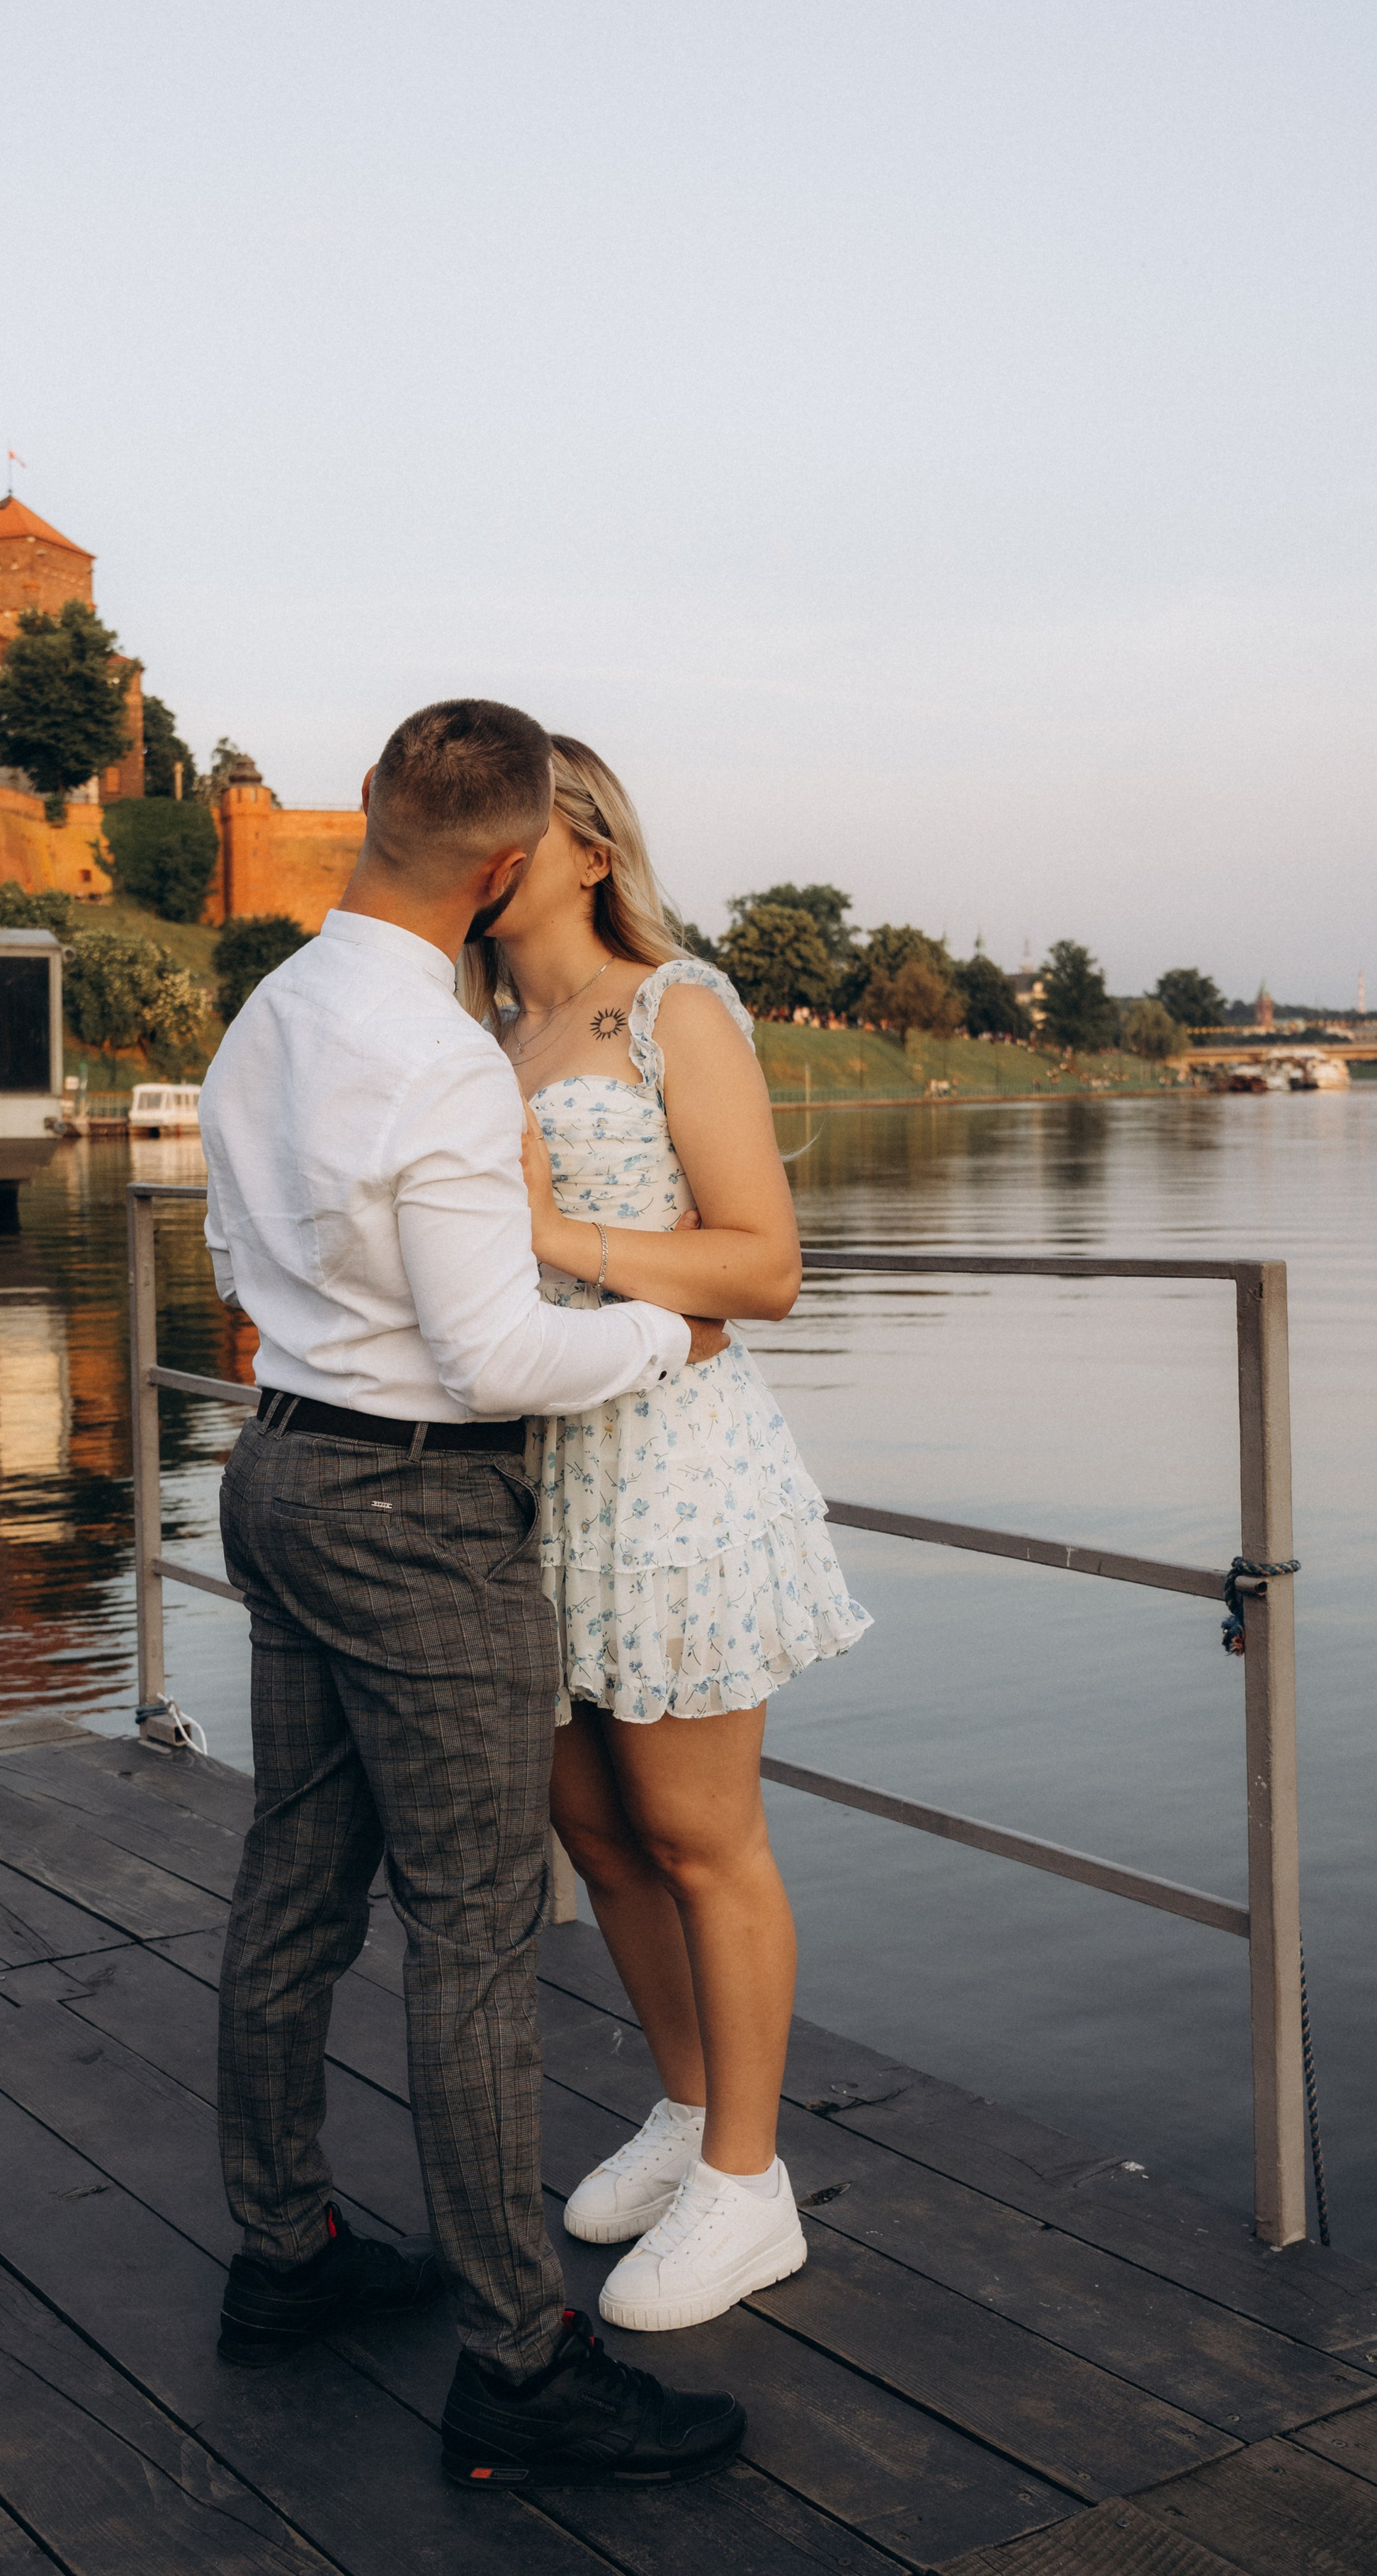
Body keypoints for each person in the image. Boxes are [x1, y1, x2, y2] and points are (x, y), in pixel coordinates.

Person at [199, 698, 747, 2490]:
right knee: (469, 1934)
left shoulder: (274, 1011)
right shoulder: (438, 1058)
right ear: (509, 861)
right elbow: (498, 1350)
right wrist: (669, 1329)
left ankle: (284, 2253)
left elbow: (233, 1258)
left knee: (294, 1876)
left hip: (274, 1468)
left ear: (368, 808)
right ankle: (519, 2362)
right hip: (412, 1510)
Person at [464, 734, 871, 2334]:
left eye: (513, 825)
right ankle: (694, 2115)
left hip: (675, 1477)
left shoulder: (672, 1006)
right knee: (601, 1836)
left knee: (703, 1839)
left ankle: (752, 2188)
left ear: (579, 843)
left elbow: (762, 1266)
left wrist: (548, 1227)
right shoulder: (488, 1034)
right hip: (532, 1474)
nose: (482, 854)